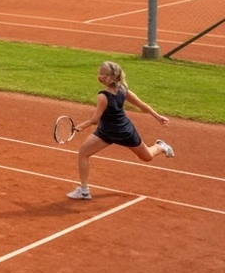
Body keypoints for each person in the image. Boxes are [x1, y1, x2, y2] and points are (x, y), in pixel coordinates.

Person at [66, 60, 174, 201]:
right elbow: (141, 105)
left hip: (123, 131)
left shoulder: (103, 96)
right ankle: (84, 190)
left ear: (110, 77)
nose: (99, 76)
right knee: (83, 153)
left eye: (102, 74)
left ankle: (161, 146)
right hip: (106, 132)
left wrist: (80, 126)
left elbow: (95, 119)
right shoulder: (122, 88)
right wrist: (157, 116)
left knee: (147, 156)